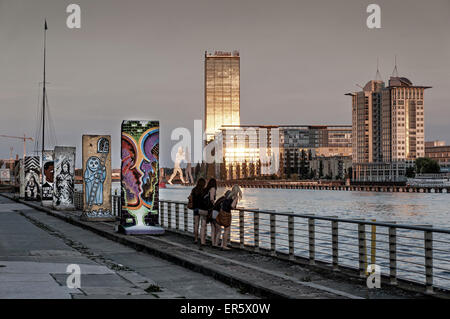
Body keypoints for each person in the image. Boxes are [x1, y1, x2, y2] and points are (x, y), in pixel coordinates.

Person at [218, 185, 242, 250]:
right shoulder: (235, 197)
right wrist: (235, 207)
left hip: (222, 212)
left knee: (224, 230)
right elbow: (232, 206)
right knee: (226, 230)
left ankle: (222, 244)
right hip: (227, 214)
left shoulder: (228, 194)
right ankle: (224, 246)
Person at [198, 178, 217, 248]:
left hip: (201, 209)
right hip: (208, 210)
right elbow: (212, 198)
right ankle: (213, 243)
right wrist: (215, 205)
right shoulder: (213, 189)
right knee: (213, 226)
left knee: (203, 226)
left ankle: (202, 242)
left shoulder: (205, 189)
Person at [190, 178, 206, 244]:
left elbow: (191, 198)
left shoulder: (194, 190)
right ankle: (202, 240)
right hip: (202, 209)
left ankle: (196, 239)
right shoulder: (204, 191)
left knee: (196, 224)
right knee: (203, 225)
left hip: (195, 208)